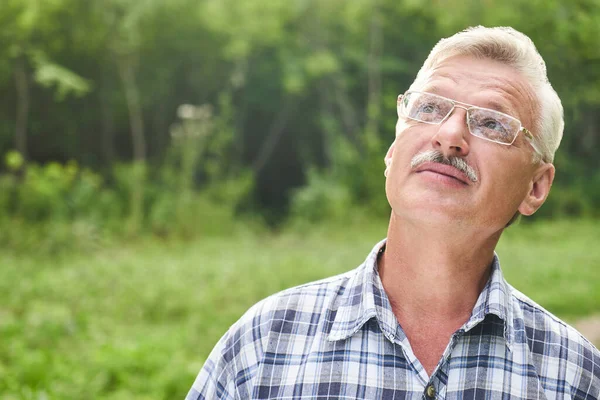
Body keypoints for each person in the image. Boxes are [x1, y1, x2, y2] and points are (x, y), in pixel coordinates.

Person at [186, 26, 600, 399]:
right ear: (392, 152)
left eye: (492, 123)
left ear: (535, 187)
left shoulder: (575, 374)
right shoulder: (264, 344)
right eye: (430, 108)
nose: (449, 135)